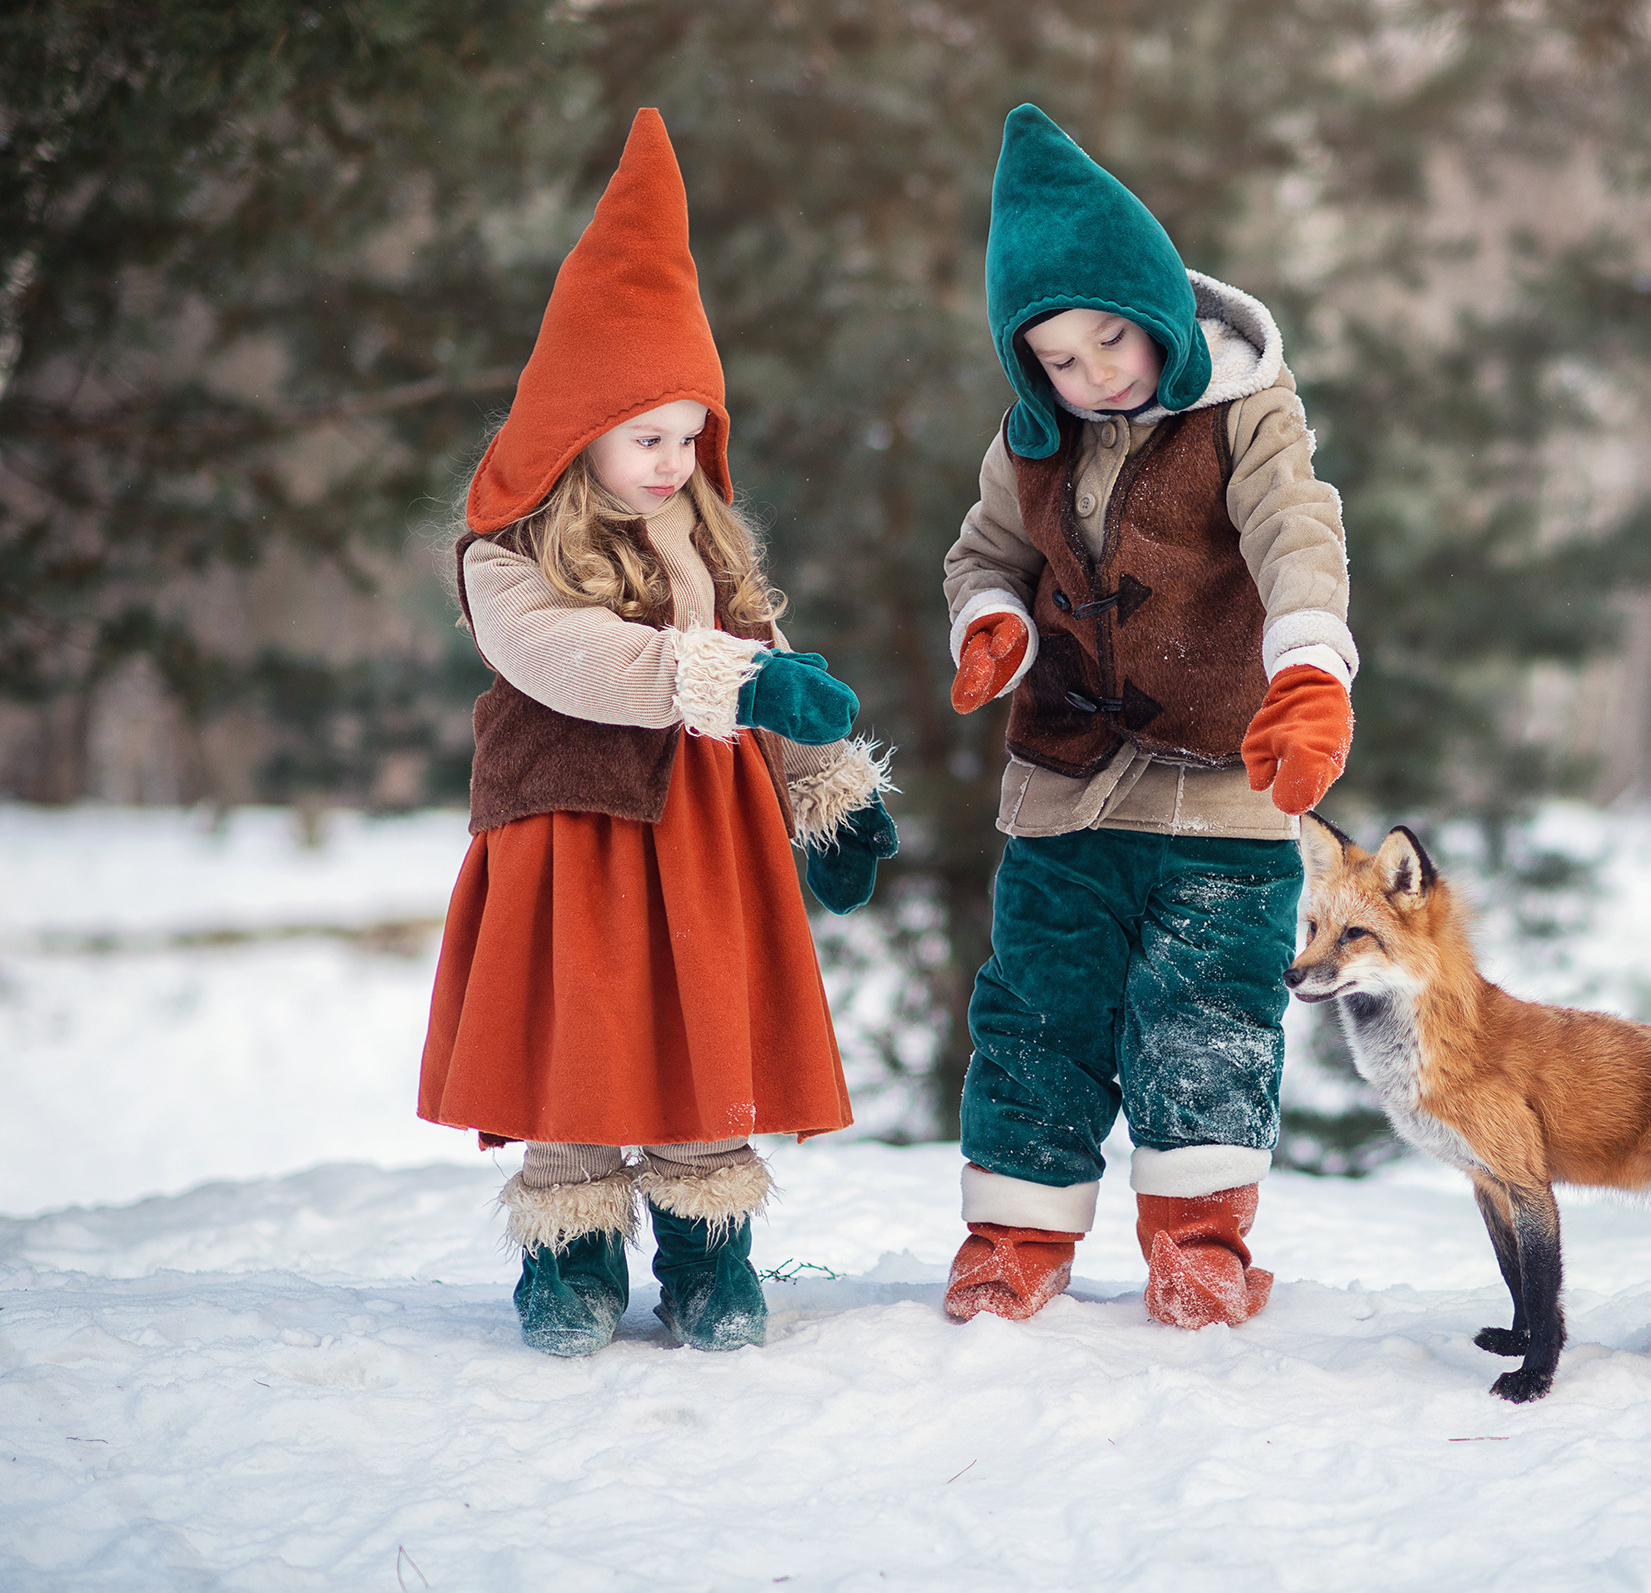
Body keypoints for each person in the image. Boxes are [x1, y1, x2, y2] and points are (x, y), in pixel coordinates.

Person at [418, 110, 896, 1358]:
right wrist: (730, 684)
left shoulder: (704, 538)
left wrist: (831, 786)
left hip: (701, 838)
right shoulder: (505, 558)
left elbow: (771, 666)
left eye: (692, 435)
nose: (677, 460)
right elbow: (572, 661)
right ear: (578, 430)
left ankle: (707, 1255)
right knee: (583, 1042)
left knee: (703, 1041)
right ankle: (571, 1262)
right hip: (571, 833)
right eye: (648, 436)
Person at [938, 104, 1356, 1330]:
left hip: (1227, 780)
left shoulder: (1248, 413)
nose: (1092, 376)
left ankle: (1200, 1244)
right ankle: (1014, 1238)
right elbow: (981, 555)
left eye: (1110, 340)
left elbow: (1299, 536)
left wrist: (1312, 668)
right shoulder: (1030, 442)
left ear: (1159, 311)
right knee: (1035, 1010)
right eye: (1057, 360)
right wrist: (989, 624)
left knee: (1209, 1013)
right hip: (1066, 781)